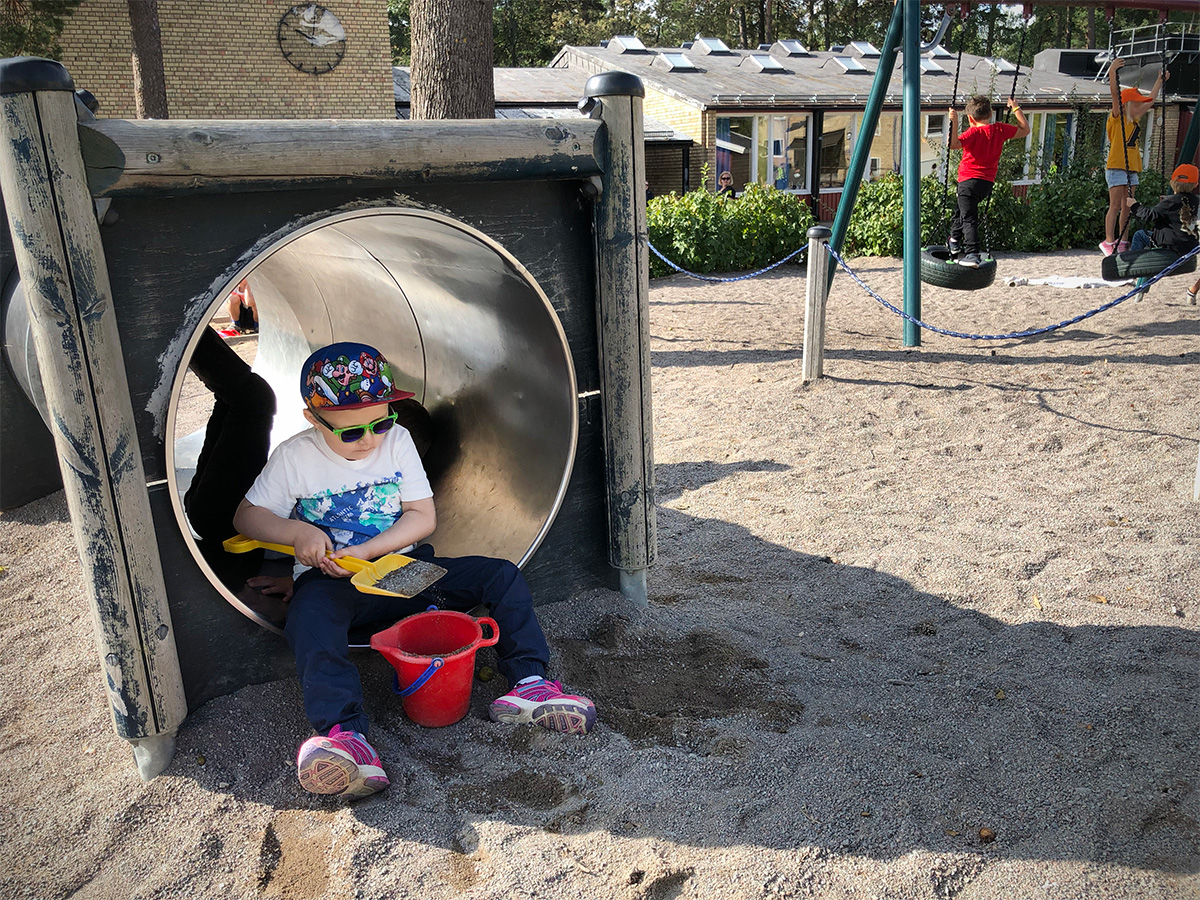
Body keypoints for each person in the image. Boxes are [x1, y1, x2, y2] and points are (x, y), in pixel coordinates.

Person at [231, 341, 596, 800]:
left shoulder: (398, 440)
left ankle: (529, 684)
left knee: (500, 575)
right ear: (313, 419)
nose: (370, 439)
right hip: (337, 585)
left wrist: (369, 552)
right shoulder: (295, 457)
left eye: (381, 421)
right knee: (309, 617)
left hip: (406, 573)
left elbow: (422, 518)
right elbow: (246, 517)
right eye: (351, 432)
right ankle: (347, 736)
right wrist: (294, 534)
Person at [946, 95, 1030, 268]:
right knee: (961, 209)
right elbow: (1025, 129)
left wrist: (953, 122)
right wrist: (1015, 108)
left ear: (970, 118)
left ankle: (972, 253)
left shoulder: (973, 132)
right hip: (986, 184)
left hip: (968, 180)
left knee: (968, 217)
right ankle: (954, 240)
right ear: (991, 114)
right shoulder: (999, 130)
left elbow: (953, 144)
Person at [1100, 59, 1168, 257]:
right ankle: (1109, 241)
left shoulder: (1135, 120)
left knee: (1127, 206)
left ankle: (1123, 241)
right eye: (1136, 103)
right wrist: (1112, 71)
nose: (1140, 106)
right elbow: (1114, 94)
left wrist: (1159, 81)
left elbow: (1151, 100)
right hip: (1116, 165)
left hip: (1132, 167)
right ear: (1127, 104)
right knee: (1114, 205)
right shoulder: (1117, 116)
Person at [1123, 163, 1199, 297]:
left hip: (1170, 243)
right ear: (1196, 184)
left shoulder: (1169, 202)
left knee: (1140, 235)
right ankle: (1144, 278)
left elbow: (1149, 216)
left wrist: (1134, 205)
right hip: (1188, 244)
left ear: (1172, 182)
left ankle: (1134, 268)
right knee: (1150, 244)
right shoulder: (1194, 201)